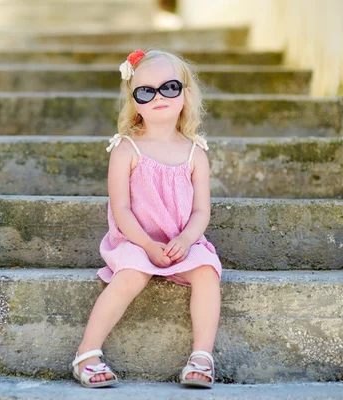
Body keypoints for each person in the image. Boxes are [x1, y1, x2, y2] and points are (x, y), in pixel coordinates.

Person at [71, 49, 222, 389]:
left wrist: (185, 240)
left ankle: (202, 355)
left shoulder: (195, 152)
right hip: (134, 239)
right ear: (134, 101)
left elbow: (201, 211)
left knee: (207, 270)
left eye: (169, 87)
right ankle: (87, 353)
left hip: (182, 240)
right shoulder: (127, 149)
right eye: (146, 91)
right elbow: (121, 209)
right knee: (133, 273)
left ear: (186, 93)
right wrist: (147, 244)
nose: (159, 97)